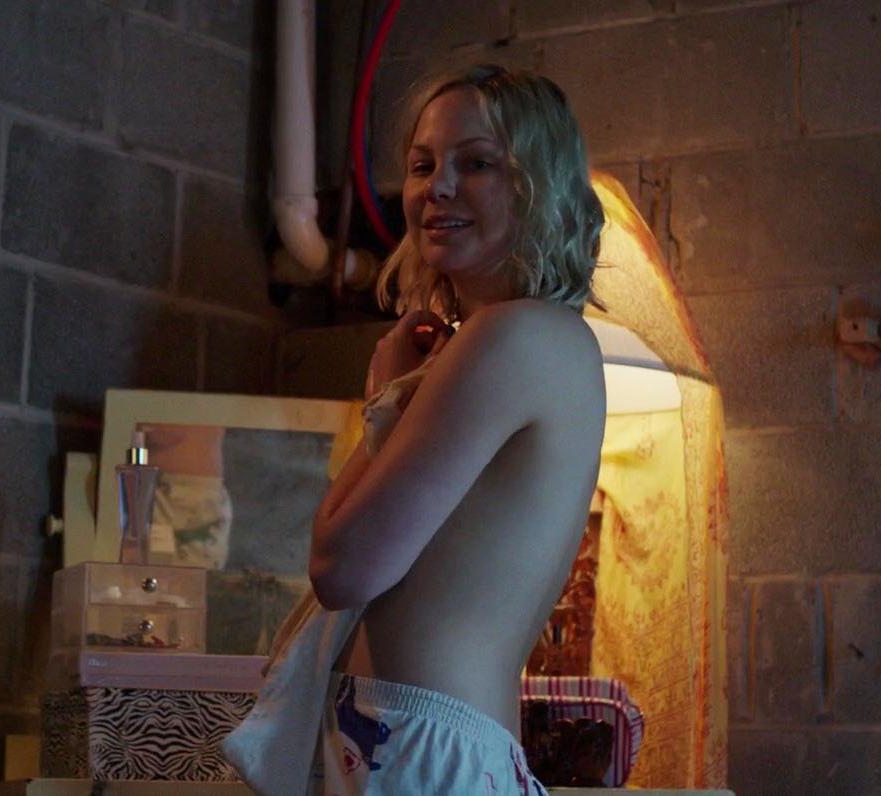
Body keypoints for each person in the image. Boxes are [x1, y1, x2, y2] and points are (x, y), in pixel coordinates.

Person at [223, 63, 607, 796]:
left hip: (421, 749)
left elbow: (342, 568)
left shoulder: (511, 336)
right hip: (420, 744)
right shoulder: (536, 340)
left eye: (477, 163)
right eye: (423, 165)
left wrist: (382, 405)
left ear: (539, 184)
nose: (439, 187)